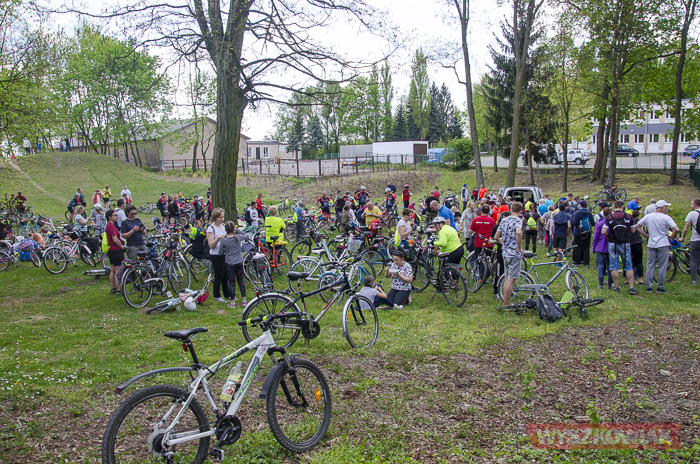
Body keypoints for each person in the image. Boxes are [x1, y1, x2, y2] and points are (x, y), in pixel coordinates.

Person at [636, 200, 679, 294]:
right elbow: (676, 229)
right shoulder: (666, 217)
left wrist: (645, 234)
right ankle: (660, 286)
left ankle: (649, 286)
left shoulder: (648, 216)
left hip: (652, 243)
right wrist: (672, 236)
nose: (667, 209)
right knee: (662, 266)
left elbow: (637, 226)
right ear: (662, 208)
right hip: (663, 242)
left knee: (650, 265)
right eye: (666, 207)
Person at [602, 200, 638, 295]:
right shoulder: (628, 217)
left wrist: (608, 236)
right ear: (623, 207)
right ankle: (631, 287)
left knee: (614, 265)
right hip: (625, 243)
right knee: (628, 265)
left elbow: (603, 231)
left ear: (614, 207)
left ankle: (616, 286)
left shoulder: (609, 217)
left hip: (613, 243)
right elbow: (633, 230)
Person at [491, 202, 524, 306]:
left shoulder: (504, 220)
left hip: (505, 252)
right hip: (514, 253)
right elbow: (518, 232)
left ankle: (505, 300)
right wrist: (519, 247)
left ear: (510, 210)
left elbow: (496, 237)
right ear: (520, 211)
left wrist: (503, 244)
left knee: (506, 277)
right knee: (511, 279)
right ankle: (506, 303)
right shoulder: (518, 220)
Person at [218, 221, 248, 309]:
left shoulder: (224, 240)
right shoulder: (238, 238)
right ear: (234, 229)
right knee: (241, 281)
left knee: (231, 283)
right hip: (239, 261)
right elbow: (246, 235)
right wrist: (237, 230)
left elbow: (220, 252)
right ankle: (244, 300)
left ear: (225, 230)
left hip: (229, 263)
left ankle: (233, 302)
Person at [207, 208, 231, 303]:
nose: (221, 219)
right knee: (219, 275)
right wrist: (218, 238)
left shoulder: (224, 226)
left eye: (223, 217)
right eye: (219, 217)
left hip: (225, 253)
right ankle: (217, 295)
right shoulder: (211, 228)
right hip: (216, 254)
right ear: (215, 217)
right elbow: (211, 245)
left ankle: (227, 294)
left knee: (226, 275)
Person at [680, 198, 700, 285]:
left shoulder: (691, 214)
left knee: (694, 260)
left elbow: (686, 228)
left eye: (692, 204)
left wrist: (682, 237)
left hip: (695, 240)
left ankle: (694, 280)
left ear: (694, 205)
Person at [592, 206, 613, 289]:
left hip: (599, 247)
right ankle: (610, 284)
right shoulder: (612, 224)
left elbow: (595, 237)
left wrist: (593, 247)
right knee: (609, 266)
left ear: (603, 214)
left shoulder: (599, 224)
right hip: (610, 246)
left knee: (600, 266)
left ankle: (601, 284)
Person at [105, 209, 125, 294]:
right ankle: (119, 289)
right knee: (118, 270)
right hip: (116, 249)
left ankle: (113, 287)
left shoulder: (108, 225)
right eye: (115, 215)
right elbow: (115, 239)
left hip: (111, 250)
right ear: (109, 217)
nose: (117, 217)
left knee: (113, 269)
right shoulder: (111, 226)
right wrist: (122, 247)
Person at [571, 200, 594, 268]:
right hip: (587, 232)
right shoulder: (589, 213)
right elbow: (593, 223)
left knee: (577, 247)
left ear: (580, 205)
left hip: (578, 232)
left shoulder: (577, 213)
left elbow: (574, 223)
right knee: (586, 247)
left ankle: (577, 262)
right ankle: (586, 263)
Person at [629, 209, 645, 286]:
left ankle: (628, 279)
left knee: (628, 262)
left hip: (629, 242)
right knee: (639, 261)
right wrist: (646, 235)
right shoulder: (636, 222)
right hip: (637, 242)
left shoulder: (626, 222)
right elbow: (639, 229)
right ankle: (640, 279)